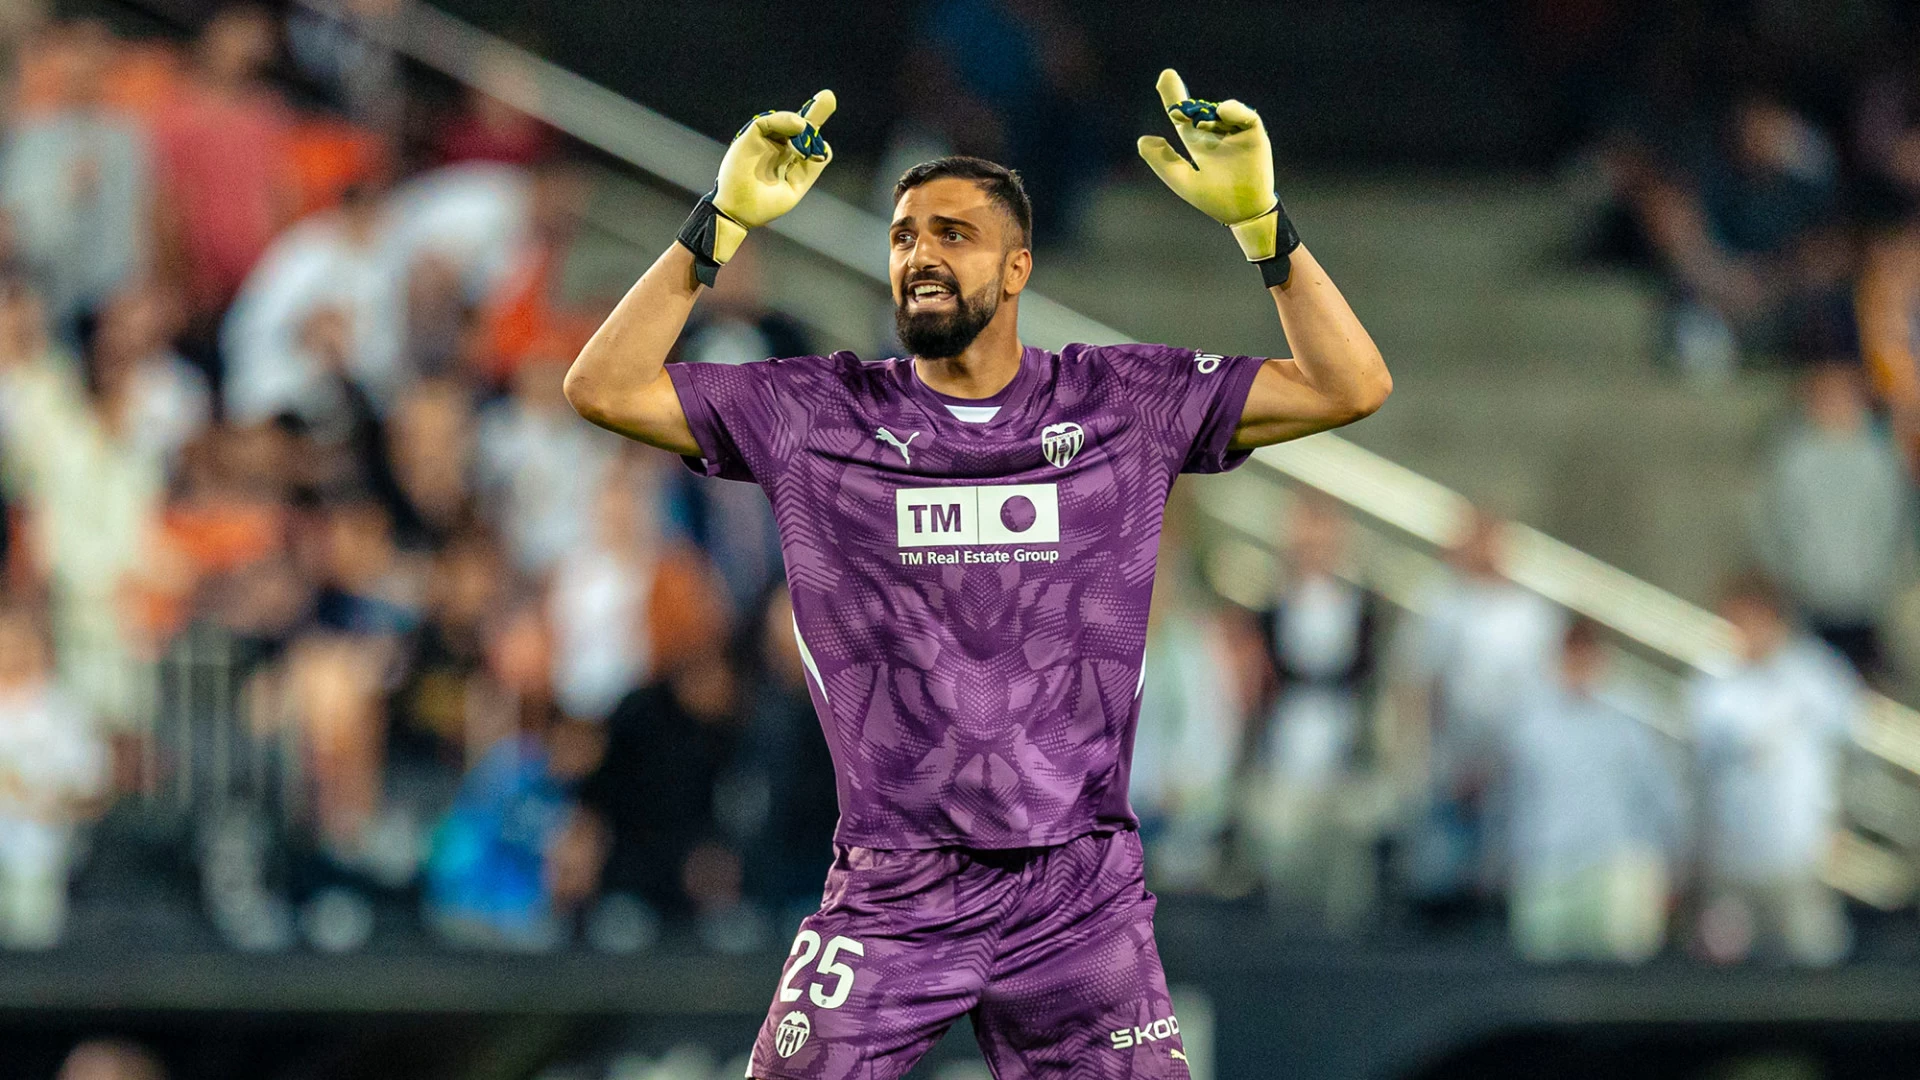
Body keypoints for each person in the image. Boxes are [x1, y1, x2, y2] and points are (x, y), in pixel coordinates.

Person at [563, 72, 1389, 1078]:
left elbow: (1351, 383)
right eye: (904, 236)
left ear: (1019, 266)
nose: (920, 255)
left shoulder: (1124, 401)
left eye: (953, 234)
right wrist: (720, 223)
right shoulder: (816, 414)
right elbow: (602, 386)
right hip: (894, 894)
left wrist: (1262, 225)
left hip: (1078, 899)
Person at [1689, 573, 1859, 967]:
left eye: (1751, 620)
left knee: (1812, 967)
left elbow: (1851, 751)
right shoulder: (1712, 683)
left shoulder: (1817, 675)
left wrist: (1840, 825)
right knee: (1725, 974)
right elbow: (1697, 775)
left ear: (1773, 618)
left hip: (1798, 858)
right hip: (1732, 863)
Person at [1504, 619, 1681, 965]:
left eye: (1587, 660)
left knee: (1617, 983)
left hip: (1615, 867)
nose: (1579, 671)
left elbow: (1660, 795)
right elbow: (1517, 800)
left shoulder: (1630, 720)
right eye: (1572, 660)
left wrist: (1670, 868)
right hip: (1547, 867)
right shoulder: (1531, 725)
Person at [1752, 363, 1911, 679]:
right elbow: (1772, 523)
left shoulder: (1881, 460)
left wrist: (1887, 575)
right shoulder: (1792, 460)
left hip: (1870, 598)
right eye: (1827, 399)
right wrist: (1790, 574)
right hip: (1809, 597)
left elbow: (1894, 524)